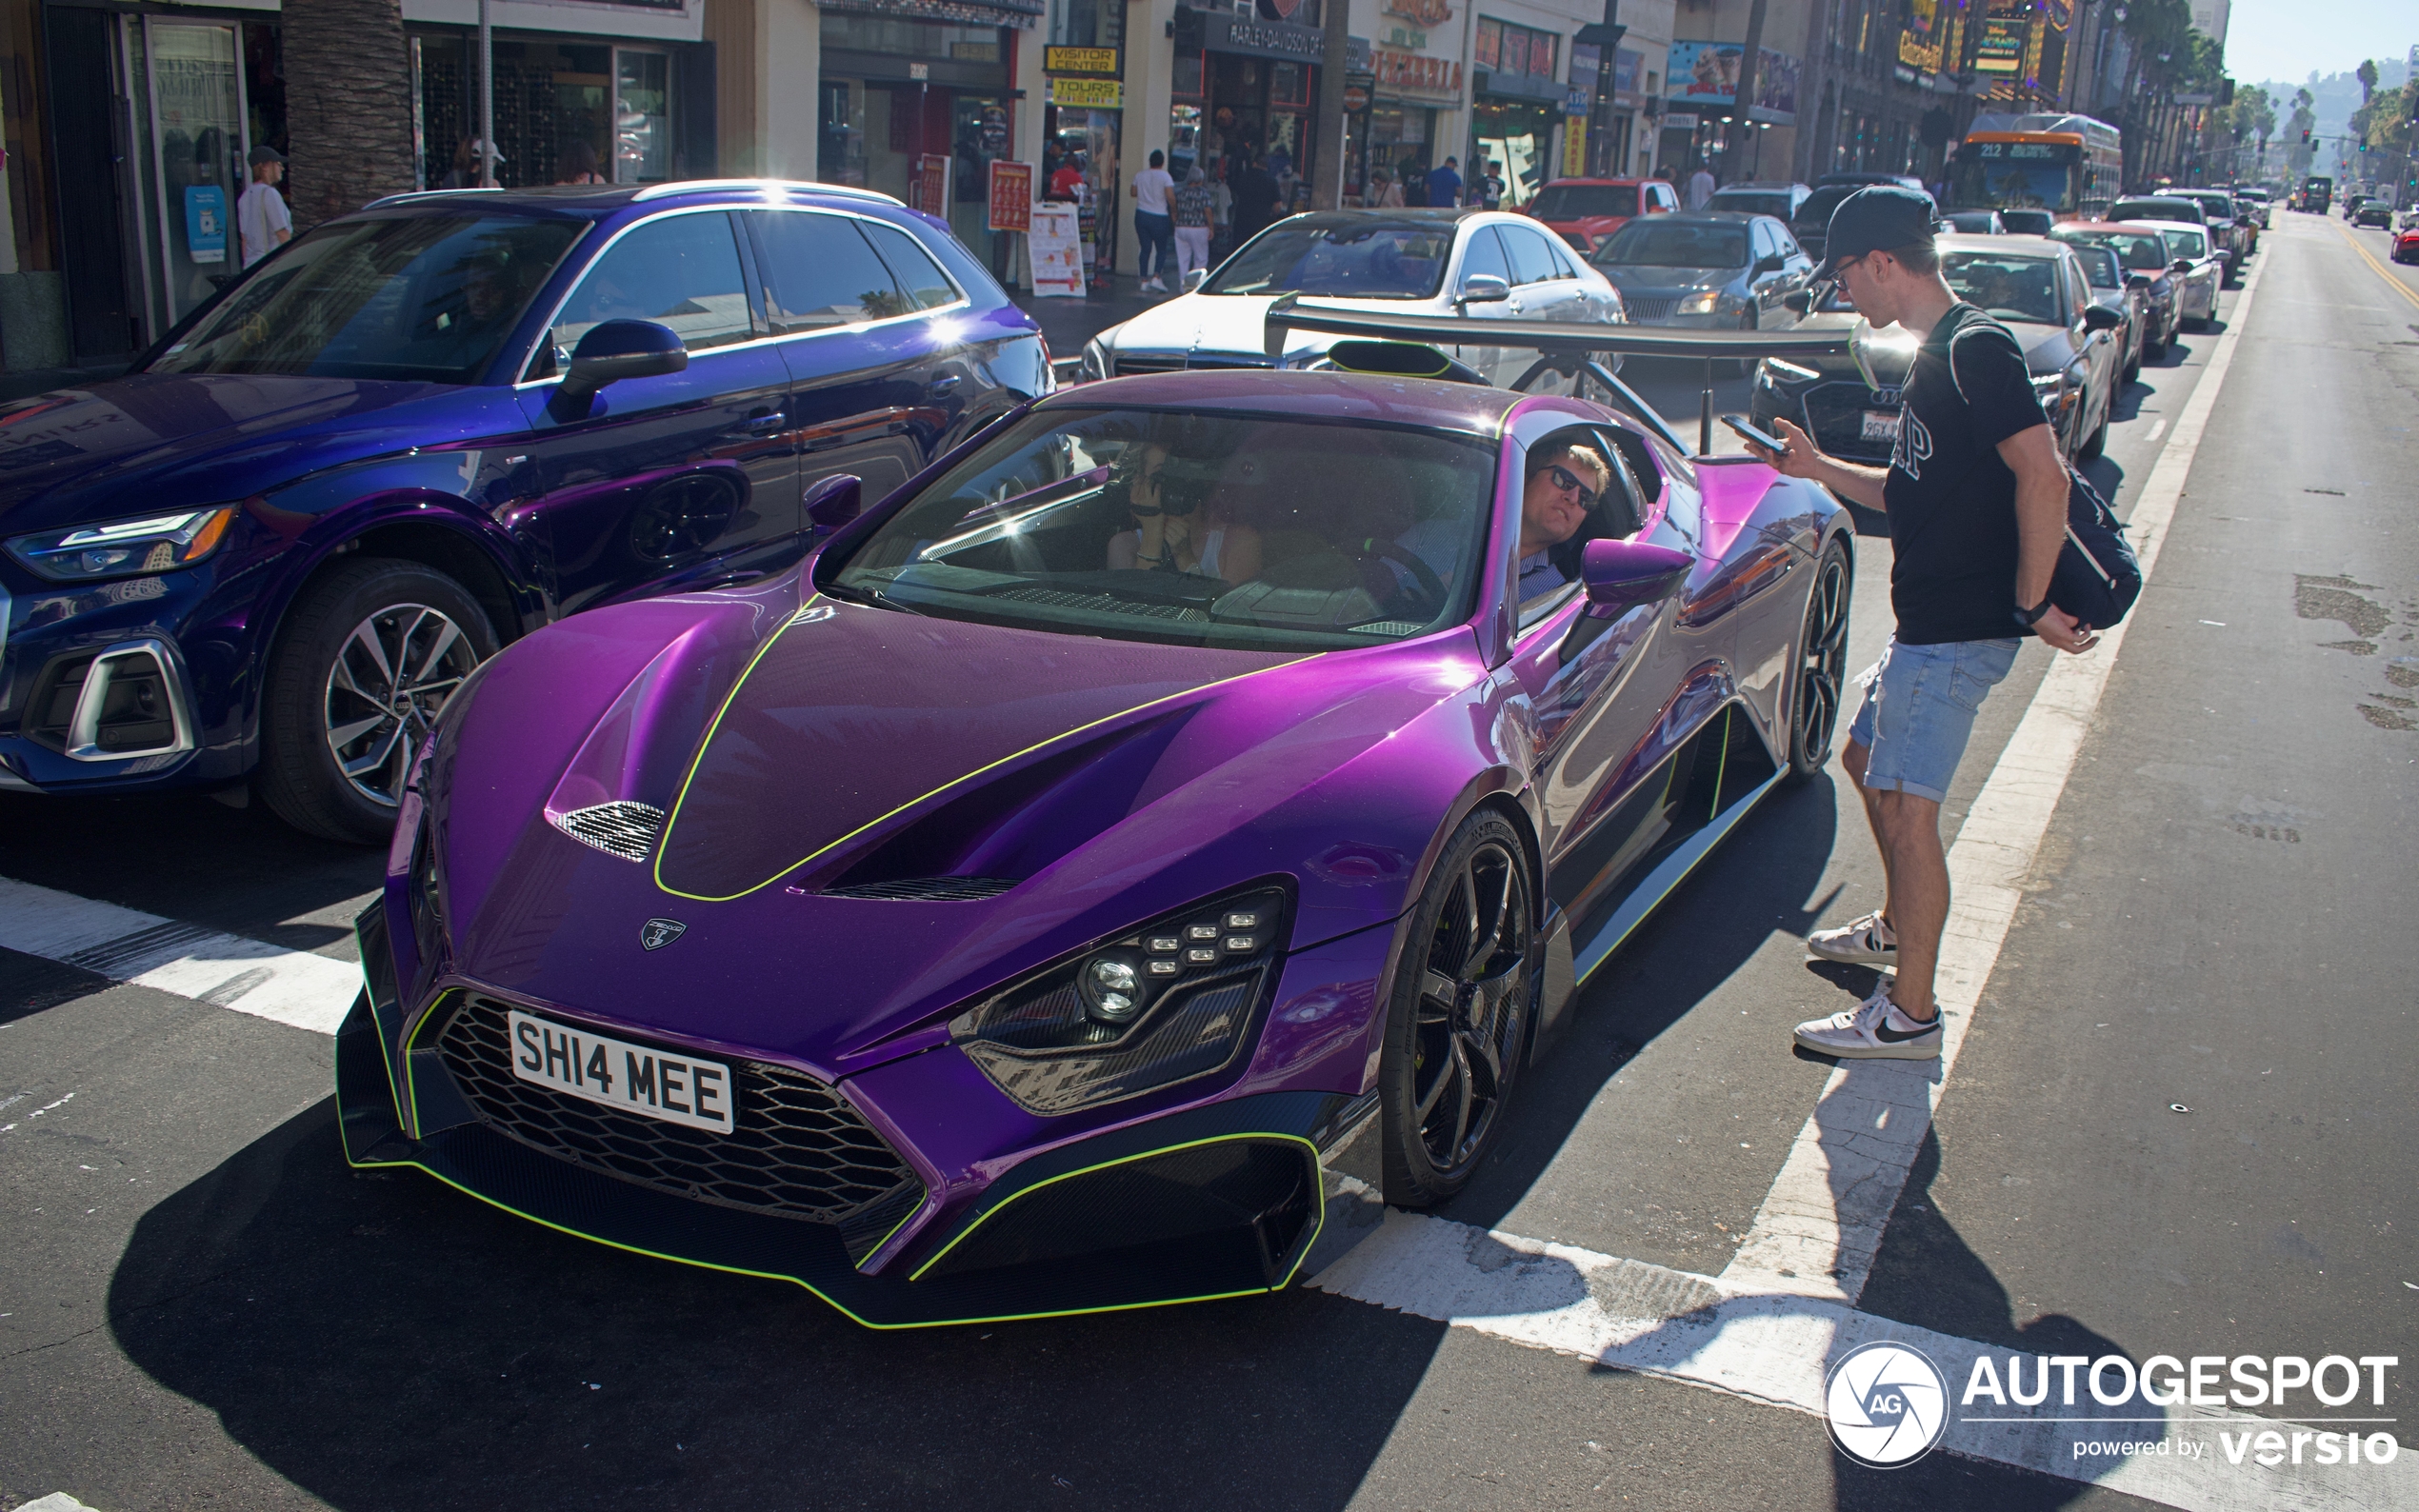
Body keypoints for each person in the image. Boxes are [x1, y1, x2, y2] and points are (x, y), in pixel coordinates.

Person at [1745, 187, 2097, 1062]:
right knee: (1865, 757)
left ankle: (1910, 1015)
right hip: (1925, 625)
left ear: (1883, 264)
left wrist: (2029, 602)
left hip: (1956, 631)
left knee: (1908, 814)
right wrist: (1819, 465)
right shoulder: (1933, 355)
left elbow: (2044, 475)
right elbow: (1906, 491)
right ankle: (1900, 925)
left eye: (1847, 278)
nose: (1845, 296)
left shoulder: (1975, 348)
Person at [1104, 443, 1263, 588]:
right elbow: (1133, 613)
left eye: (1182, 474)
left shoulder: (1238, 542)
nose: (1175, 485)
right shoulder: (1124, 546)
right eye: (1162, 474)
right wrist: (1152, 535)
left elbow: (1220, 616)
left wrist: (1184, 556)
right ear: (1140, 483)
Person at [1510, 443, 1610, 602]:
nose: (1573, 498)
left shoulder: (1561, 596)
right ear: (1527, 477)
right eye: (1564, 480)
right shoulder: (1462, 533)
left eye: (1586, 498)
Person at [236, 145, 292, 269]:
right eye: (278, 163)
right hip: (271, 264)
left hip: (252, 266)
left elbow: (244, 239)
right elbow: (282, 233)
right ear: (266, 166)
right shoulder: (269, 193)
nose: (282, 168)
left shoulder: (245, 197)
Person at [1130, 149, 1177, 293]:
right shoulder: (1165, 176)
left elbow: (1133, 192)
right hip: (1159, 216)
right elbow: (1170, 197)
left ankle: (1144, 280)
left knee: (1145, 248)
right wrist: (1174, 211)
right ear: (1162, 163)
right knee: (1161, 249)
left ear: (1150, 161)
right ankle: (1156, 276)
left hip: (1141, 214)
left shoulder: (1140, 175)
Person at [1171, 165, 1216, 286]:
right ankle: (1196, 285)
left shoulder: (1180, 192)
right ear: (1200, 180)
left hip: (1181, 228)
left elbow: (1174, 209)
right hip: (1199, 227)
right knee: (1200, 259)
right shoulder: (1203, 193)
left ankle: (1183, 287)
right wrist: (1211, 228)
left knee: (1183, 260)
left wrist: (1175, 222)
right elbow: (1208, 211)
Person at [1230, 151, 1281, 248]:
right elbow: (1277, 206)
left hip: (1242, 221)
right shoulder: (1272, 181)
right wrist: (1272, 216)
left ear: (1254, 163)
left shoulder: (1244, 177)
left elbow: (1234, 194)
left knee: (1239, 252)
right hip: (1260, 223)